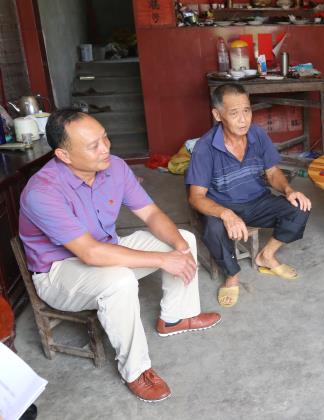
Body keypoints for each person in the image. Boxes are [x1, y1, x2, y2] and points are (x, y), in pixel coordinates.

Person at [18, 109, 221, 403]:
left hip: (107, 248)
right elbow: (90, 252)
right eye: (93, 146)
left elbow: (151, 214)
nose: (106, 148)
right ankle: (136, 370)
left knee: (183, 239)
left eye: (105, 138)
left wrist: (177, 248)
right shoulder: (42, 191)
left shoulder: (114, 167)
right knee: (120, 280)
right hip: (59, 272)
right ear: (64, 155)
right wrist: (163, 260)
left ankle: (176, 318)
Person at [186, 83, 311, 308]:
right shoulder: (205, 148)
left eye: (247, 110)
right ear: (217, 115)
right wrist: (226, 214)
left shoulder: (257, 134)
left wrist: (289, 190)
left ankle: (266, 256)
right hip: (222, 205)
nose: (243, 119)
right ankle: (232, 275)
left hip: (257, 201)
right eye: (234, 113)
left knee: (299, 207)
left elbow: (272, 172)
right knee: (213, 229)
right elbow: (196, 197)